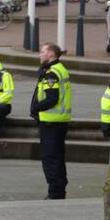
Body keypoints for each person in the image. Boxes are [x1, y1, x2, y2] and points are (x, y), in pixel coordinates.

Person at [31, 42, 72, 200]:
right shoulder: (58, 69)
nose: (40, 55)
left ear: (51, 55)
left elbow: (51, 99)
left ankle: (55, 192)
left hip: (51, 121)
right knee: (57, 157)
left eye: (42, 52)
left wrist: (36, 108)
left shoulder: (52, 73)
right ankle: (58, 190)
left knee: (51, 158)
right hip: (57, 121)